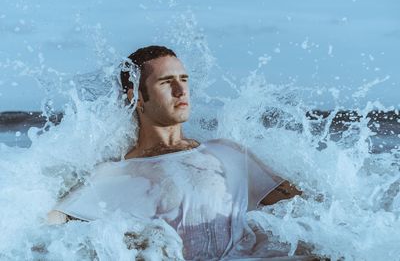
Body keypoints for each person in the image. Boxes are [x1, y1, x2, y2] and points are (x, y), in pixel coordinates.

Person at [47, 46, 307, 260]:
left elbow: (308, 209)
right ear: (136, 97)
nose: (181, 91)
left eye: (184, 79)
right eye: (166, 82)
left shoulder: (226, 152)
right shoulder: (115, 173)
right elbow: (49, 227)